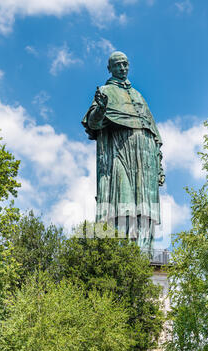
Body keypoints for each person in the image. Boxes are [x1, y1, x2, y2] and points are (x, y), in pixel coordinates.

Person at [82, 51, 164, 252]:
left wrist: (159, 167)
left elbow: (153, 132)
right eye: (118, 65)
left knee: (145, 207)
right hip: (119, 152)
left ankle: (144, 253)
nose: (122, 68)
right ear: (109, 68)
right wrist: (101, 109)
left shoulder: (137, 95)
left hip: (144, 159)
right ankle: (121, 253)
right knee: (122, 202)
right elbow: (93, 122)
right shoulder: (105, 91)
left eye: (125, 64)